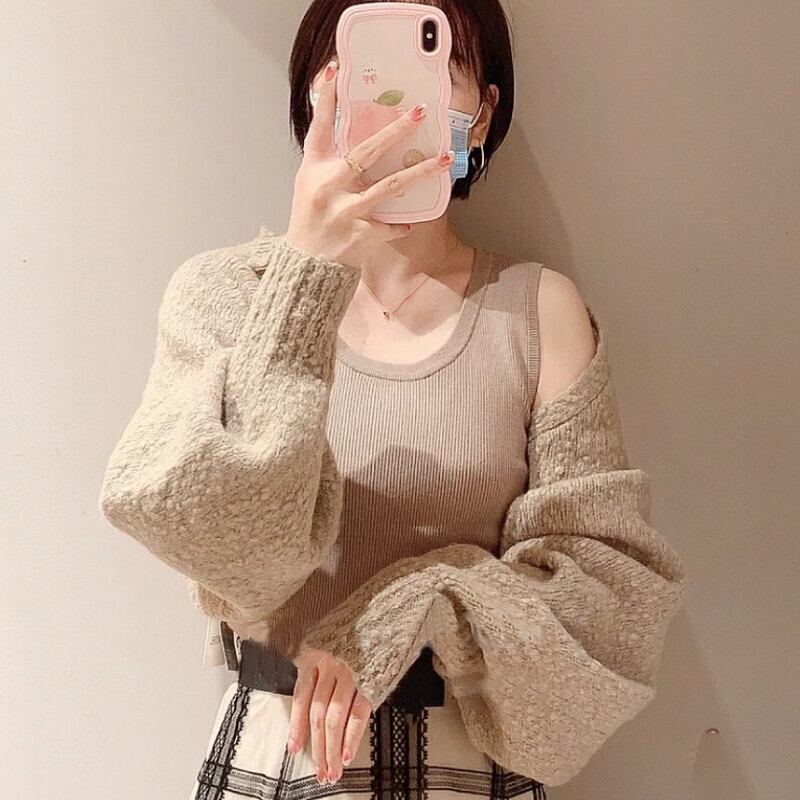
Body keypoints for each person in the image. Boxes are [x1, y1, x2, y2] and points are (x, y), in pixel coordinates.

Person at [98, 1, 686, 798]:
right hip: (280, 751)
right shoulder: (225, 296)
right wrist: (306, 276)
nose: (401, 99)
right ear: (316, 92)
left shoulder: (536, 311)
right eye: (364, 63)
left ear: (483, 115)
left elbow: (608, 608)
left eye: (440, 63)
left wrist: (418, 602)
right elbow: (225, 548)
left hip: (469, 758)